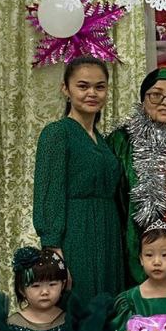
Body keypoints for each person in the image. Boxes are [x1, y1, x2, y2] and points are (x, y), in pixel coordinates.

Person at [33, 56, 128, 299]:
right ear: (66, 89)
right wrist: (54, 251)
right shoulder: (57, 133)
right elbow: (49, 193)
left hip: (108, 232)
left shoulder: (103, 141)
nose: (92, 93)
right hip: (76, 233)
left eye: (99, 87)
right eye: (83, 86)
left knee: (108, 303)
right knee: (80, 303)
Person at [107, 67, 166, 285]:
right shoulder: (121, 140)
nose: (164, 102)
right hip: (132, 244)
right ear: (143, 99)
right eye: (155, 95)